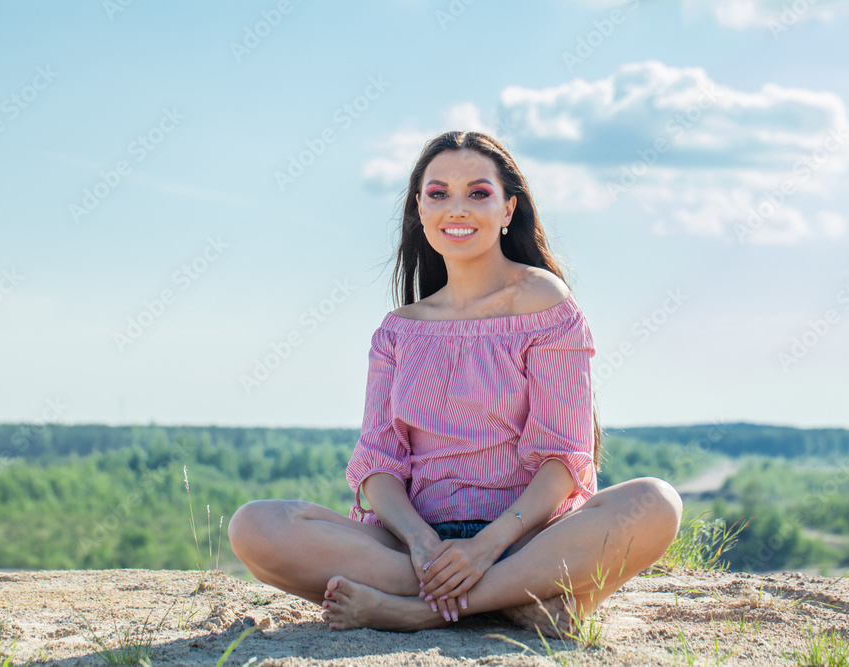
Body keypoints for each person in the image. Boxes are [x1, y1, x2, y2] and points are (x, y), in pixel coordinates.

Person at [228, 130, 683, 638]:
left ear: (508, 209)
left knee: (657, 502)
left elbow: (563, 456)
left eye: (479, 193)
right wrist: (422, 544)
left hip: (530, 540)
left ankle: (422, 611)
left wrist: (485, 548)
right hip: (416, 549)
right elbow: (378, 464)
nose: (457, 209)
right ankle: (515, 601)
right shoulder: (399, 329)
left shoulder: (545, 304)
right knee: (255, 526)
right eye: (439, 194)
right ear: (419, 211)